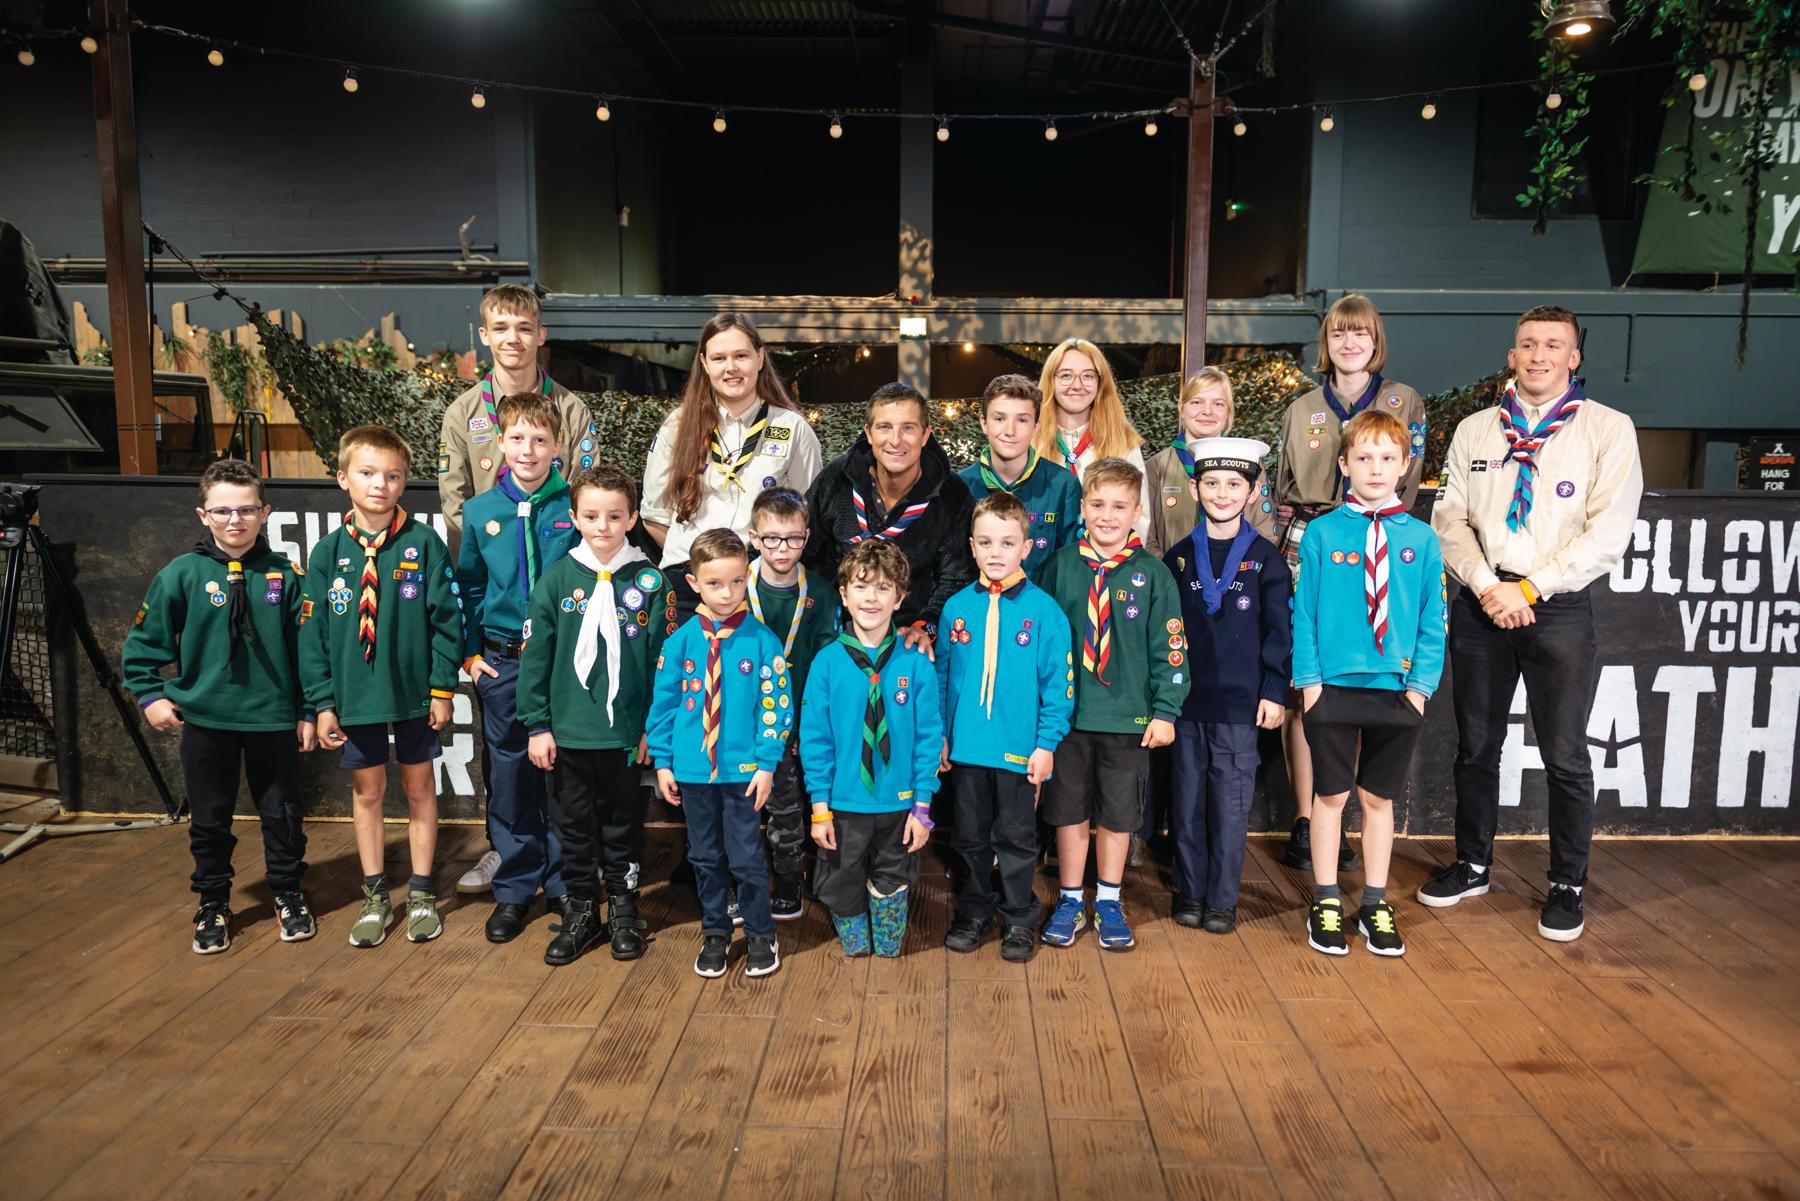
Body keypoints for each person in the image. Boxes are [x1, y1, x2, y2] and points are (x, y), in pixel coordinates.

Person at [1419, 305, 1643, 943]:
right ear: (1512, 356)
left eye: (1553, 345)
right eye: (1527, 345)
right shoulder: (1474, 430)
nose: (1538, 355)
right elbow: (1450, 518)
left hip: (1558, 607)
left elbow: (1609, 533)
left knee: (1566, 755)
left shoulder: (1607, 429)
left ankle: (1568, 883)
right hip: (1482, 602)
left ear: (1574, 358)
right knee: (1475, 746)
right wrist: (1490, 587)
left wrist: (1530, 587)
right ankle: (1473, 863)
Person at [122, 459, 314, 954]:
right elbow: (144, 644)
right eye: (223, 510)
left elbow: (311, 652)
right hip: (207, 720)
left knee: (283, 813)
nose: (236, 520)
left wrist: (311, 709)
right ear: (202, 515)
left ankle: (288, 893)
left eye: (247, 509)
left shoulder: (287, 575)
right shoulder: (181, 575)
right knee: (209, 818)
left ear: (265, 512)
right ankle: (212, 901)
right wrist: (150, 694)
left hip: (273, 717)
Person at [440, 283, 594, 899]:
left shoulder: (571, 409)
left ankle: (566, 871)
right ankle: (508, 859)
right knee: (504, 756)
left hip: (559, 615)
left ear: (540, 334)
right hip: (500, 606)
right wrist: (499, 536)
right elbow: (456, 503)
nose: (513, 338)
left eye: (524, 327)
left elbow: (582, 499)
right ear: (485, 335)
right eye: (501, 327)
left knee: (561, 757)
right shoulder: (465, 412)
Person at [1274, 294, 1426, 874]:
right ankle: (1309, 817)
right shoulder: (1302, 407)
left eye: (1360, 333)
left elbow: (1405, 482)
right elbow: (1285, 492)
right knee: (1305, 685)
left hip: (1378, 538)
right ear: (1326, 342)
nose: (1349, 343)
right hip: (1309, 537)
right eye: (1339, 333)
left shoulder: (1402, 400)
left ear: (1375, 339)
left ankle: (1358, 815)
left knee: (1364, 679)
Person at [1291, 409, 1445, 958]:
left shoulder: (1423, 540)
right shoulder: (1322, 532)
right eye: (1363, 458)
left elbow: (1433, 620)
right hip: (1332, 687)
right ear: (1344, 464)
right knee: (1330, 796)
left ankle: (1376, 901)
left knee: (1378, 799)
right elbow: (1302, 612)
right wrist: (1310, 685)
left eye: (1387, 458)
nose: (1375, 469)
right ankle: (1327, 898)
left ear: (1405, 465)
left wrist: (1420, 689)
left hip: (1397, 689)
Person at [302, 426, 462, 948]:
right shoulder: (327, 554)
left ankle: (419, 891)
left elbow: (447, 623)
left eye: (393, 476)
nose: (380, 485)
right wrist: (324, 704)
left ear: (404, 482)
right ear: (342, 478)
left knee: (419, 789)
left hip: (413, 694)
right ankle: (374, 895)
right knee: (367, 792)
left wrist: (442, 689)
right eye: (368, 474)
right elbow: (315, 636)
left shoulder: (424, 544)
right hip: (355, 699)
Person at [519, 463, 674, 965]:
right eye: (592, 516)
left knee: (624, 825)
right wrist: (539, 725)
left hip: (627, 734)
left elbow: (664, 663)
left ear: (632, 518)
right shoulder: (557, 578)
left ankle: (625, 910)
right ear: (574, 518)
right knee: (575, 828)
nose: (603, 526)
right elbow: (536, 656)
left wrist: (655, 725)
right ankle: (582, 910)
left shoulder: (651, 582)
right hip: (568, 733)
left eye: (614, 516)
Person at [1032, 457, 1189, 950]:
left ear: (1137, 511)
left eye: (1119, 506)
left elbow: (1171, 647)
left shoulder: (1153, 574)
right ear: (1082, 507)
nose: (1106, 515)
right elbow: (1039, 642)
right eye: (1097, 504)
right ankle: (1072, 898)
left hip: (1129, 719)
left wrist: (1166, 711)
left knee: (1119, 816)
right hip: (1070, 719)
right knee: (1069, 812)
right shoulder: (1058, 566)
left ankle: (1109, 899)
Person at [456, 393, 579, 944]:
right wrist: (472, 653)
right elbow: (470, 586)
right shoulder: (481, 511)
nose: (528, 450)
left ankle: (563, 884)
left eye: (540, 439)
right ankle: (513, 888)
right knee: (508, 776)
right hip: (502, 662)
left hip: (559, 664)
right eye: (517, 439)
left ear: (557, 446)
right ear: (499, 444)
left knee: (560, 771)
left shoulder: (574, 507)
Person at [645, 529, 791, 979]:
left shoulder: (763, 641)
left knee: (746, 855)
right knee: (705, 857)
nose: (726, 593)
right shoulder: (681, 642)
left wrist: (767, 765)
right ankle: (715, 932)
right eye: (713, 584)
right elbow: (664, 705)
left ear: (746, 578)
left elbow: (776, 708)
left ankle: (762, 932)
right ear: (693, 584)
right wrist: (665, 761)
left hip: (743, 772)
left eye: (735, 582)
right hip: (693, 772)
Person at [937, 492, 1073, 961]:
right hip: (967, 749)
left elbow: (1059, 685)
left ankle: (1018, 916)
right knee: (969, 836)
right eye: (986, 542)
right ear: (971, 547)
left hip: (1018, 750)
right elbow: (942, 678)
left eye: (1007, 542)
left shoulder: (1045, 612)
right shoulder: (956, 608)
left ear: (1027, 547)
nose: (996, 553)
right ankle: (975, 909)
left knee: (1015, 838)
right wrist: (941, 734)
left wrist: (1046, 744)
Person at [1163, 437, 1291, 934]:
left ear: (1252, 490)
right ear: (1195, 489)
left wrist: (1275, 689)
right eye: (1211, 483)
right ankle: (1190, 892)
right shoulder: (1177, 559)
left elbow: (1281, 630)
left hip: (1241, 704)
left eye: (1234, 484)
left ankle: (1221, 899)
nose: (1221, 493)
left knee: (1230, 806)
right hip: (1187, 703)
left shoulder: (1266, 560)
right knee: (1188, 803)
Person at [801, 539, 944, 958]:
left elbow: (927, 740)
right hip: (843, 803)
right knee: (842, 876)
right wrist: (819, 808)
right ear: (843, 594)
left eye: (884, 588)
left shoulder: (917, 664)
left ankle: (886, 922)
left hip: (898, 803)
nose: (871, 598)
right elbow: (815, 741)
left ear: (900, 598)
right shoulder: (826, 663)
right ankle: (851, 922)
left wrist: (922, 806)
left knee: (893, 879)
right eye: (861, 587)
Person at [641, 313, 823, 627]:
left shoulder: (791, 428)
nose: (731, 368)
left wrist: (751, 567)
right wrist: (705, 566)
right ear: (704, 363)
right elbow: (654, 515)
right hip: (688, 581)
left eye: (741, 356)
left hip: (759, 580)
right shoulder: (677, 426)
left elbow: (809, 516)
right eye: (719, 358)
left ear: (760, 357)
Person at [805, 382, 976, 647]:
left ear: (926, 433)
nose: (895, 440)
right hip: (837, 638)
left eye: (908, 428)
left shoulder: (952, 494)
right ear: (868, 433)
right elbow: (804, 551)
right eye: (884, 427)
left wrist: (926, 626)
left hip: (909, 643)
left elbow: (957, 578)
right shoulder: (837, 480)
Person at [744, 487, 837, 920]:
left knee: (789, 809)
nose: (783, 549)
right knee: (742, 808)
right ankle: (741, 882)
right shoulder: (734, 588)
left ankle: (789, 879)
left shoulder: (821, 592)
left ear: (807, 536)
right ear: (753, 537)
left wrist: (808, 725)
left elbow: (826, 666)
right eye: (772, 538)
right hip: (744, 727)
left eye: (794, 538)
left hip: (799, 722)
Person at [1143, 368, 1276, 560]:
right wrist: (1172, 575)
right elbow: (1146, 537)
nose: (1207, 411)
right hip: (1173, 581)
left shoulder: (1251, 465)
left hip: (1238, 582)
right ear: (1181, 408)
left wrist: (1242, 577)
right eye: (1197, 402)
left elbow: (1265, 532)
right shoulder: (1155, 467)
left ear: (1229, 412)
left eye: (1218, 404)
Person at [957, 374, 1082, 573]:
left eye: (1022, 420)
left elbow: (1072, 568)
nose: (1010, 430)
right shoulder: (959, 486)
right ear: (983, 423)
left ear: (1035, 427)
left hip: (1042, 602)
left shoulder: (1064, 485)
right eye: (999, 418)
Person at [1033, 337, 1151, 530]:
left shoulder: (1124, 443)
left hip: (1108, 559)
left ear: (1100, 383)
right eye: (1065, 375)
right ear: (1050, 381)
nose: (1077, 385)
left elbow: (1139, 520)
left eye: (1087, 376)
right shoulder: (1031, 442)